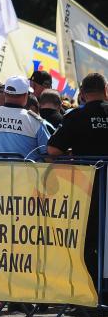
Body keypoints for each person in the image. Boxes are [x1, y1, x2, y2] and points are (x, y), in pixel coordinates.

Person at [47, 72, 108, 303]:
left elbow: (53, 151)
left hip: (88, 188)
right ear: (106, 90)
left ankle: (90, 294)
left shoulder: (77, 117)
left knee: (89, 240)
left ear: (82, 94)